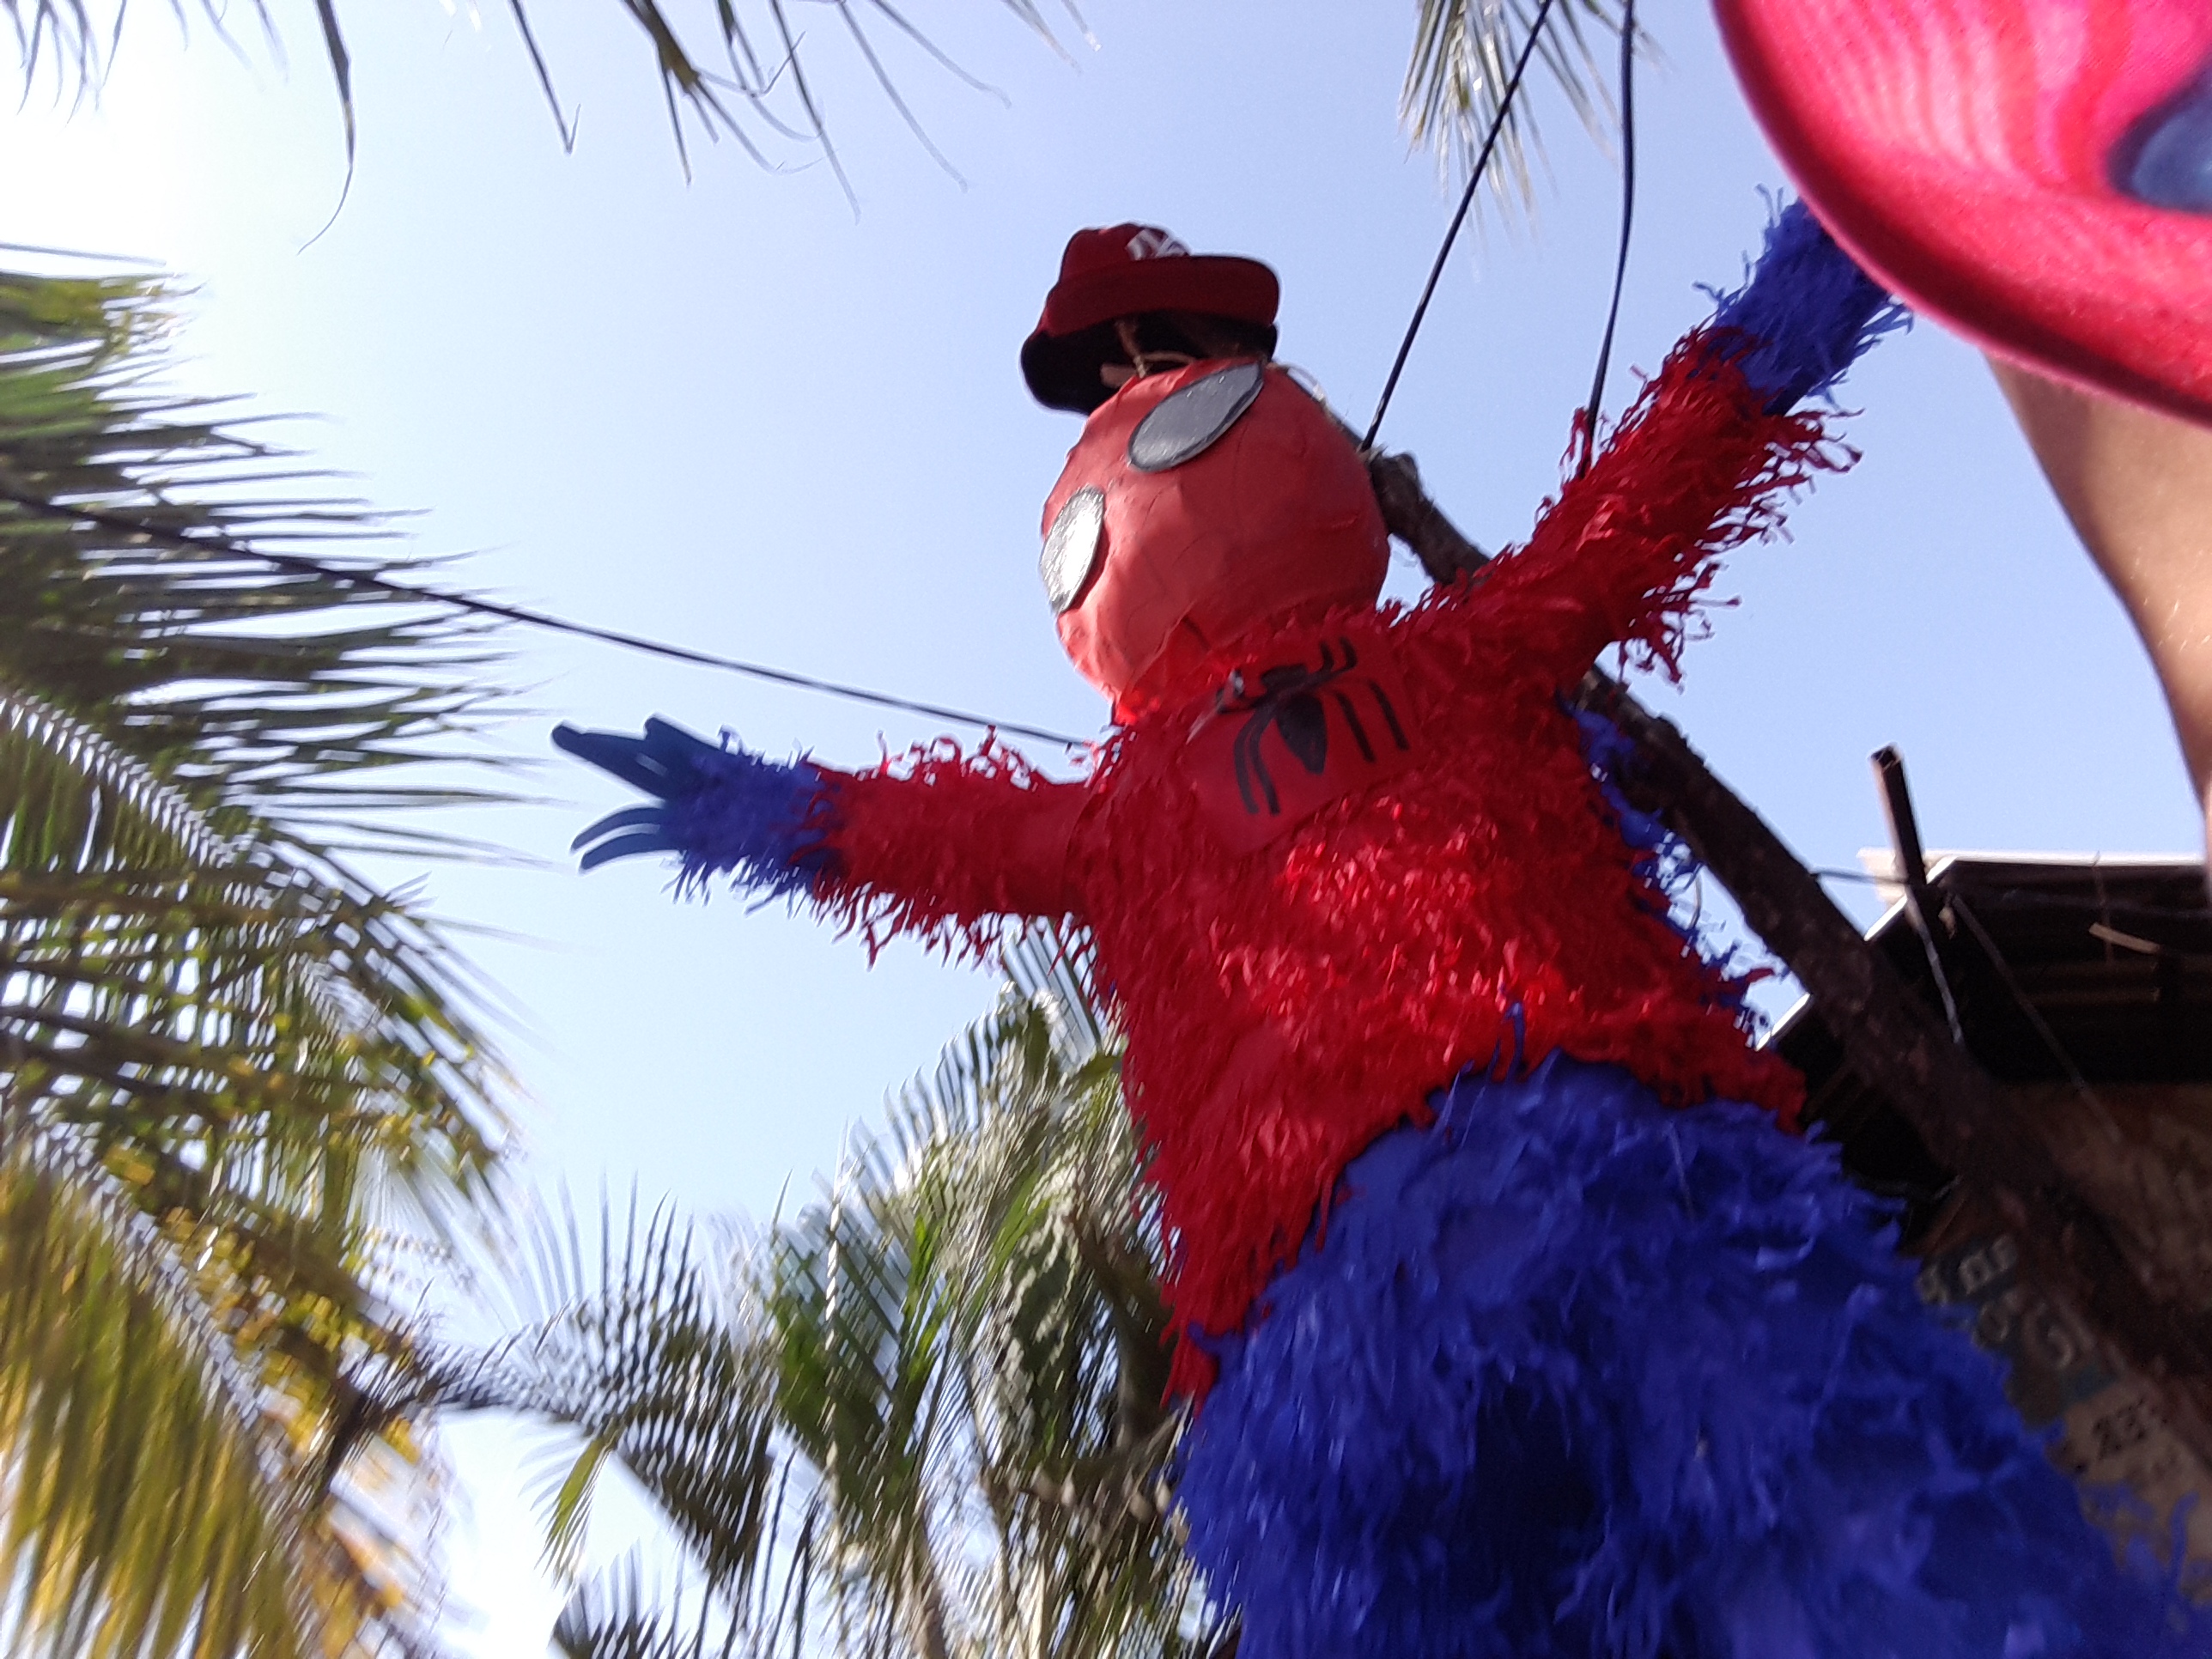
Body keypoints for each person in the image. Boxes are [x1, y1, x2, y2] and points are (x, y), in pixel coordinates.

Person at [555, 213, 2200, 1656]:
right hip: (1475, 1258)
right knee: (1843, 1525)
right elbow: (937, 839)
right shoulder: (1186, 790)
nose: (1139, 457)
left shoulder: (1412, 679)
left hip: (1416, 1293)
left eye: (1193, 399)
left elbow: (1648, 496)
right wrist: (759, 809)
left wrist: (1812, 283)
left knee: (1849, 1536)